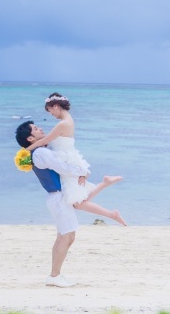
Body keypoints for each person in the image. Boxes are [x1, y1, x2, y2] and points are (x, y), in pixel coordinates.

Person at [25, 92, 127, 226]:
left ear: (56, 106)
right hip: (69, 159)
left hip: (66, 161)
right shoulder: (68, 120)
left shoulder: (62, 124)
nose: (51, 115)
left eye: (50, 111)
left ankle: (111, 211)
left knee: (77, 202)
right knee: (78, 199)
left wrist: (24, 152)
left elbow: (44, 141)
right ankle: (108, 192)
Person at [15, 120, 90, 287]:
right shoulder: (41, 153)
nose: (40, 128)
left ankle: (55, 274)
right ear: (30, 138)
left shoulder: (38, 151)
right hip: (58, 198)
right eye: (35, 129)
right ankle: (55, 276)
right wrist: (83, 171)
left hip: (56, 197)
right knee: (67, 236)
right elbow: (61, 166)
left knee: (64, 236)